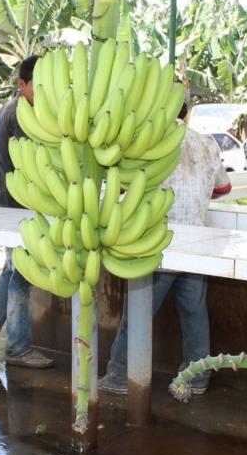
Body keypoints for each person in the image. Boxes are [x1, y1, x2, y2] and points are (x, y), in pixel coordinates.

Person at [98, 93, 232, 395]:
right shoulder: (206, 143)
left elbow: (122, 188)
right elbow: (223, 187)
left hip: (156, 243)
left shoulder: (147, 143)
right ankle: (197, 378)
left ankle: (120, 376)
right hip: (197, 242)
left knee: (138, 312)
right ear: (186, 112)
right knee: (194, 313)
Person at [0, 55, 54, 369]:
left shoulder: (11, 109)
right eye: (38, 86)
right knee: (23, 274)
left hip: (7, 205)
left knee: (11, 271)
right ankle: (18, 347)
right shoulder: (21, 115)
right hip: (17, 207)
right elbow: (34, 166)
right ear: (22, 84)